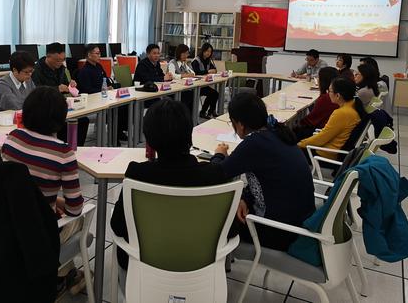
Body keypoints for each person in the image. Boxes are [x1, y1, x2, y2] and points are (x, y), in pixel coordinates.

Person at [110, 99, 228, 270]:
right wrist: (218, 157)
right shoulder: (213, 174)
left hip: (141, 264)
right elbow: (230, 231)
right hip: (201, 266)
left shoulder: (138, 173)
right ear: (189, 133)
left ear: (149, 139)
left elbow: (118, 226)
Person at [1, 86, 86, 295]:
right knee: (80, 218)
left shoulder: (12, 138)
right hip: (39, 232)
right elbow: (75, 209)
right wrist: (55, 202)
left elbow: (22, 188)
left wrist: (53, 201)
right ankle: (61, 275)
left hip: (6, 221)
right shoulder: (63, 153)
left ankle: (64, 275)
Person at [211, 93, 315, 251]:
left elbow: (216, 174)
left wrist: (219, 154)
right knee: (232, 204)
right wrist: (244, 198)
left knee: (215, 215)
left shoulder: (255, 143)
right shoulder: (277, 133)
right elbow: (265, 181)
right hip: (298, 223)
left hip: (278, 231)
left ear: (240, 124)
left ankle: (216, 261)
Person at [32, 42, 88, 146]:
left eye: (63, 59)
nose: (60, 62)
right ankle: (63, 148)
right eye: (57, 60)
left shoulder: (61, 68)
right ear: (48, 56)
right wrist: (57, 88)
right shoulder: (37, 70)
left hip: (60, 105)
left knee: (83, 120)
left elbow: (65, 86)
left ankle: (76, 148)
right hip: (45, 108)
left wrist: (71, 85)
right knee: (63, 124)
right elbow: (36, 92)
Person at [297, 77, 366, 160]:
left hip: (326, 155)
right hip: (333, 150)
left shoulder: (342, 113)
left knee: (290, 152)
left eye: (330, 91)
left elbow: (322, 138)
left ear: (338, 95)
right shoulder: (353, 105)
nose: (328, 93)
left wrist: (300, 144)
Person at [77, 44, 128, 142]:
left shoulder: (99, 66)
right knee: (115, 108)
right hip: (93, 101)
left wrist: (110, 86)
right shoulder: (84, 71)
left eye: (99, 53)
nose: (99, 55)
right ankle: (113, 137)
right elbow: (86, 90)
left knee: (124, 105)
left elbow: (106, 80)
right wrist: (102, 90)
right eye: (97, 53)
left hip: (104, 96)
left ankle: (119, 132)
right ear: (89, 55)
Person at [293, 67, 339, 141]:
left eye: (318, 77)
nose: (317, 79)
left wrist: (297, 123)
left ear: (323, 81)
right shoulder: (335, 96)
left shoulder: (327, 98)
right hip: (324, 129)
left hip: (317, 132)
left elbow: (310, 120)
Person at [191, 43, 220, 118]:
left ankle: (210, 111)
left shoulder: (208, 60)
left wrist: (213, 70)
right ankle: (203, 112)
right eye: (207, 51)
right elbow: (196, 73)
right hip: (196, 85)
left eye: (210, 52)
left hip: (203, 84)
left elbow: (214, 69)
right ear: (203, 51)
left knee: (215, 93)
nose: (208, 53)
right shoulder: (196, 60)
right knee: (212, 94)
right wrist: (208, 71)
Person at [167, 44, 196, 116]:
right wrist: (184, 75)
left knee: (192, 94)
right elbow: (172, 76)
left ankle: (189, 116)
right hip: (172, 90)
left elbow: (193, 73)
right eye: (184, 53)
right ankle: (183, 116)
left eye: (187, 53)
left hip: (182, 88)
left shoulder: (183, 63)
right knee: (189, 95)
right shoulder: (172, 63)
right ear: (179, 53)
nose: (186, 55)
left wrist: (188, 74)